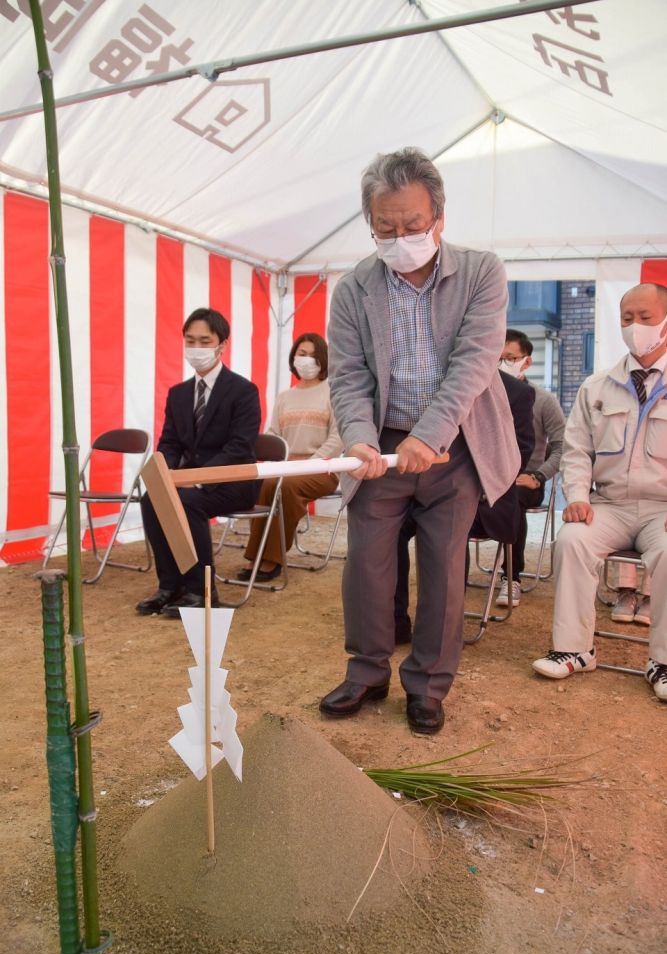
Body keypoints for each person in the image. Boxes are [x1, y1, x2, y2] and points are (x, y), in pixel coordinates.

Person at [319, 147, 520, 735]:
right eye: (387, 228)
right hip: (380, 446)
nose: (401, 236)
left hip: (456, 447)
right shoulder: (355, 288)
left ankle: (429, 684)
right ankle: (366, 671)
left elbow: (475, 363)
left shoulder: (481, 272)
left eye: (413, 225)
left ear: (439, 217)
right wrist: (358, 438)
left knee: (442, 567)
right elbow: (349, 374)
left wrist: (430, 436)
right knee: (368, 564)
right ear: (371, 224)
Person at [532, 282, 667, 702]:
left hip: (663, 510)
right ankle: (574, 650)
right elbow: (576, 452)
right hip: (608, 505)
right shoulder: (597, 387)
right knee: (571, 540)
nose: (635, 327)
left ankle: (662, 662)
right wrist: (578, 498)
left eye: (645, 317)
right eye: (627, 318)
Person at [394, 367, 534, 642]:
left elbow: (520, 450)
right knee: (392, 526)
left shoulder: (516, 391)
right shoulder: (434, 382)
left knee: (450, 526)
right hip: (424, 489)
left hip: (485, 496)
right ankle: (396, 620)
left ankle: (442, 631)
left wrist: (476, 487)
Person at [136, 307, 261, 618]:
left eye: (205, 341)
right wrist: (163, 472)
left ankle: (202, 591)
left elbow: (239, 446)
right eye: (190, 340)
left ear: (222, 344)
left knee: (187, 499)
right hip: (190, 480)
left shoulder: (243, 391)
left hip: (235, 480)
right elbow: (169, 443)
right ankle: (171, 585)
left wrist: (198, 477)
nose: (196, 348)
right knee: (153, 498)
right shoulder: (178, 394)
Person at [238, 333, 342, 580]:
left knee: (282, 486)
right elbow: (273, 433)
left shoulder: (333, 393)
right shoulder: (285, 397)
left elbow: (339, 438)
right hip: (284, 467)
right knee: (266, 482)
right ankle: (259, 554)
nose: (306, 360)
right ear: (293, 358)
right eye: (301, 354)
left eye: (313, 355)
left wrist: (309, 464)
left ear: (323, 360)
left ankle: (270, 558)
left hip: (321, 469)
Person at [496, 330, 565, 607]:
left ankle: (511, 577)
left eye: (510, 358)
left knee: (512, 499)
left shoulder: (543, 400)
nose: (503, 364)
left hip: (525, 481)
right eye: (498, 358)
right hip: (488, 477)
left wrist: (539, 476)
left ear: (526, 362)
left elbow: (563, 447)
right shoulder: (482, 393)